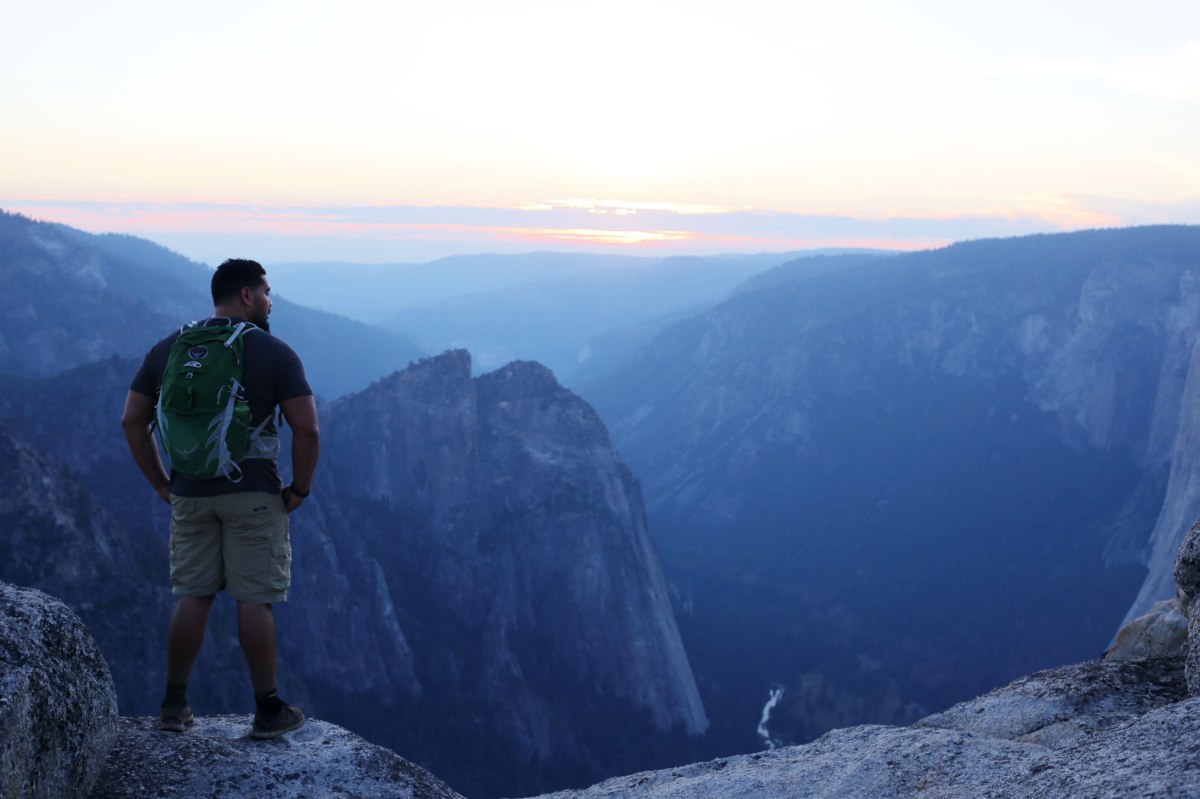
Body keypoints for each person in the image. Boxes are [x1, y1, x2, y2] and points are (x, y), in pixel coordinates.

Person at [121, 258, 320, 739]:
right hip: (252, 492)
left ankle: (173, 705)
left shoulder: (171, 348)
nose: (271, 301)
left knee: (193, 596)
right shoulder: (275, 352)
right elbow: (307, 428)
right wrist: (299, 488)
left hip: (189, 493)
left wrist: (161, 483)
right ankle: (269, 710)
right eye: (267, 291)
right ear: (247, 296)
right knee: (254, 600)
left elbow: (132, 421)